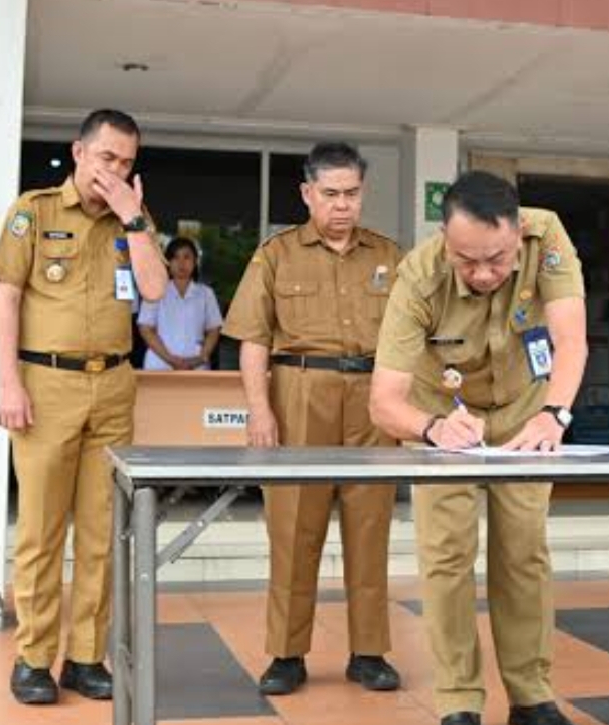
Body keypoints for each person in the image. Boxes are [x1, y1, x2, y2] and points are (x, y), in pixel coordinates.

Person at [369, 170, 588, 725]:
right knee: (447, 557)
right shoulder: (418, 276)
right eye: (468, 261)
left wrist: (554, 414)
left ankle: (531, 696)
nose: (485, 273)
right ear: (445, 239)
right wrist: (431, 429)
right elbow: (384, 402)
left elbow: (571, 340)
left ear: (517, 234)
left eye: (498, 259)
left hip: (525, 412)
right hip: (443, 416)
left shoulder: (546, 235)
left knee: (524, 554)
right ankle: (459, 701)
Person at [0, 109, 167, 704]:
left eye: (126, 162)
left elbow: (155, 289)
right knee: (41, 530)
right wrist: (8, 384)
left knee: (101, 532)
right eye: (106, 157)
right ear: (79, 152)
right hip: (46, 384)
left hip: (112, 386)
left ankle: (86, 658)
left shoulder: (133, 218)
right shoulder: (34, 212)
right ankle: (34, 659)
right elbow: (6, 300)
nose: (114, 170)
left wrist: (133, 215)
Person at [222, 142, 402, 696]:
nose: (343, 205)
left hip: (372, 398)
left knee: (370, 526)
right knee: (294, 527)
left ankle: (368, 652)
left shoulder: (390, 256)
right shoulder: (276, 255)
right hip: (299, 393)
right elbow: (253, 340)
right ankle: (287, 654)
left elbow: (413, 338)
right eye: (331, 194)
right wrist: (260, 411)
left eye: (352, 193)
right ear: (307, 193)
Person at [138, 237, 223, 370]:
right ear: (168, 262)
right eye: (175, 257)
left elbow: (214, 329)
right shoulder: (155, 290)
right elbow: (145, 328)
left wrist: (202, 357)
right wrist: (170, 359)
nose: (181, 263)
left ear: (195, 261)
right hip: (159, 365)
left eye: (187, 257)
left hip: (196, 365)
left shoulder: (206, 293)